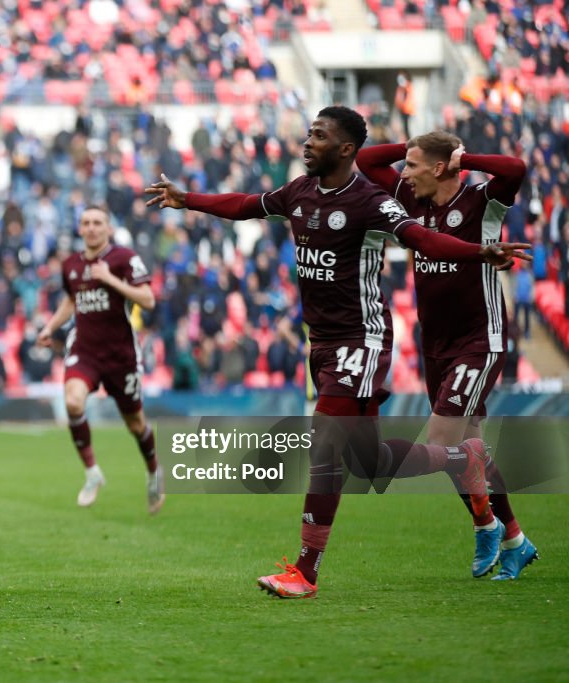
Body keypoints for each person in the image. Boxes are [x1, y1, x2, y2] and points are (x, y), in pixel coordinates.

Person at [145, 105, 531, 598]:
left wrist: (479, 251)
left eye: (319, 135)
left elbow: (423, 239)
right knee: (368, 464)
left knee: (325, 442)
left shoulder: (373, 201)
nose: (307, 142)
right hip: (321, 343)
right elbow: (245, 204)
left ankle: (305, 572)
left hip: (362, 341)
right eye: (308, 133)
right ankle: (461, 458)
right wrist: (188, 200)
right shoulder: (299, 192)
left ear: (345, 149)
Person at [357, 132, 539, 580]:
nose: (404, 173)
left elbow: (515, 168)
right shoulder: (409, 195)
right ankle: (515, 540)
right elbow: (364, 159)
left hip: (479, 338)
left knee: (442, 445)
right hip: (434, 342)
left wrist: (463, 158)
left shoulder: (483, 200)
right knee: (468, 449)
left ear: (440, 168)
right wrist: (412, 148)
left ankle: (485, 525)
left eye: (415, 165)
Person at [37, 206, 165, 514]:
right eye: (86, 223)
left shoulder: (123, 259)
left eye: (98, 223)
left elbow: (148, 300)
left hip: (121, 356)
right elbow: (72, 299)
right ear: (79, 229)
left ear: (108, 229)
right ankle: (92, 473)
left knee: (135, 424)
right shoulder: (70, 265)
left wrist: (110, 279)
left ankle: (153, 472)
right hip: (85, 351)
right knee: (73, 403)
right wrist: (50, 327)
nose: (92, 228)